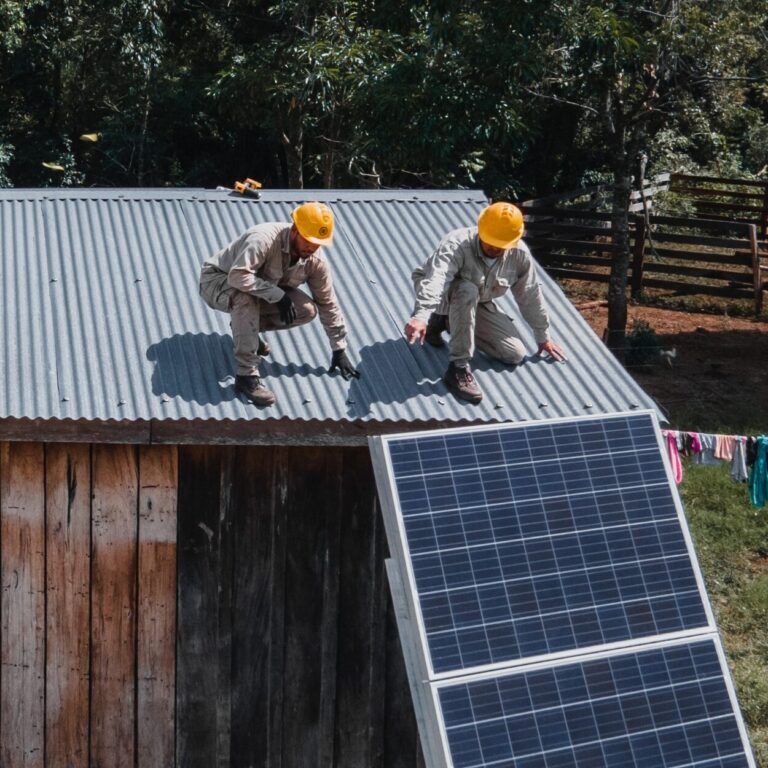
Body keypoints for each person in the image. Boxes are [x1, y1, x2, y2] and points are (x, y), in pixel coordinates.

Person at [199, 201, 360, 406]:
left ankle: (245, 330)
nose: (312, 247)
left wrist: (339, 348)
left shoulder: (315, 261)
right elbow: (238, 277)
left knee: (307, 310)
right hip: (217, 281)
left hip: (260, 290)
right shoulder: (264, 239)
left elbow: (327, 303)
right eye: (308, 240)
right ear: (295, 230)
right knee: (245, 297)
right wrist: (277, 295)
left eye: (318, 243)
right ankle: (246, 376)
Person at [404, 202, 566, 404]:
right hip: (441, 293)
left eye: (501, 245)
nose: (494, 247)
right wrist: (421, 316)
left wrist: (543, 336)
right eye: (490, 241)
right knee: (467, 290)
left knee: (514, 353)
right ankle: (458, 368)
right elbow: (436, 280)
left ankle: (445, 321)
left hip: (475, 301)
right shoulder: (457, 244)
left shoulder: (519, 256)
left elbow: (530, 295)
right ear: (480, 229)